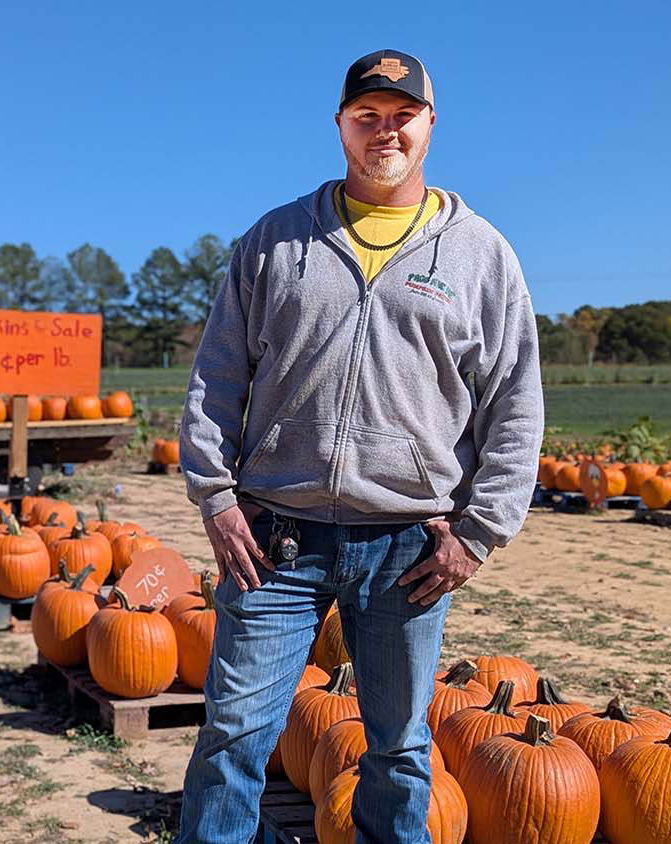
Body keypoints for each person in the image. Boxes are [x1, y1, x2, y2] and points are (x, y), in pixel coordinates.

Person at [175, 49, 543, 842]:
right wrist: (215, 499)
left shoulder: (481, 255)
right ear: (340, 125)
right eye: (367, 116)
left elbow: (515, 405)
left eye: (402, 116)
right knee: (233, 737)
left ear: (430, 126)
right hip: (272, 539)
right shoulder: (274, 241)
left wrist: (478, 535)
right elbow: (215, 378)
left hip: (408, 547)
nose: (386, 131)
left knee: (401, 748)